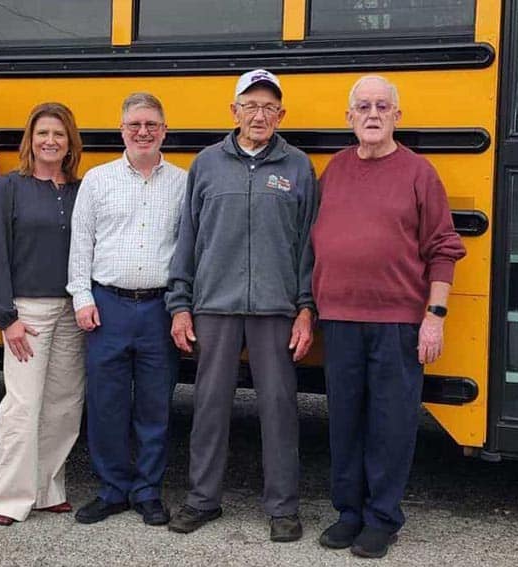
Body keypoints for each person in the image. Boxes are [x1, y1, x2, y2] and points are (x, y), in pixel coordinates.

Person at [311, 75, 466, 558]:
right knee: (344, 421)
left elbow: (444, 249)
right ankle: (349, 512)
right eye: (363, 106)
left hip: (398, 323)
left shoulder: (419, 173)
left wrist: (434, 316)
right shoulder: (334, 170)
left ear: (397, 116)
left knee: (390, 423)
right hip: (338, 320)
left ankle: (382, 517)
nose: (372, 114)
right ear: (349, 117)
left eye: (382, 106)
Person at [166, 69, 318, 543]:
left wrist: (305, 307)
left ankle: (283, 508)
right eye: (250, 105)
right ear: (233, 111)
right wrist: (180, 303)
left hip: (276, 309)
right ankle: (202, 499)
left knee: (278, 407)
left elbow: (309, 245)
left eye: (268, 107)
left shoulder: (298, 167)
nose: (259, 115)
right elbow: (187, 238)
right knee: (209, 405)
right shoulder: (207, 164)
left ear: (281, 115)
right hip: (215, 306)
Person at [67, 93, 187, 526]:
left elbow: (189, 250)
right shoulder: (98, 180)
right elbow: (81, 243)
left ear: (164, 131)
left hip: (159, 308)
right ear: (122, 130)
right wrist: (82, 298)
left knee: (155, 405)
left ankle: (148, 491)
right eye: (135, 124)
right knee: (106, 404)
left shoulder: (183, 183)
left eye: (152, 125)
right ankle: (112, 488)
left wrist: (182, 307)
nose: (143, 132)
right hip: (107, 307)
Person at [0, 102, 86, 526]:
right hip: (28, 311)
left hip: (71, 309)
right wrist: (6, 316)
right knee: (23, 404)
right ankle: (8, 498)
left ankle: (47, 489)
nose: (50, 141)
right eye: (43, 133)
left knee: (64, 404)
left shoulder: (81, 190)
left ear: (70, 143)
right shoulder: (9, 188)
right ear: (31, 140)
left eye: (59, 135)